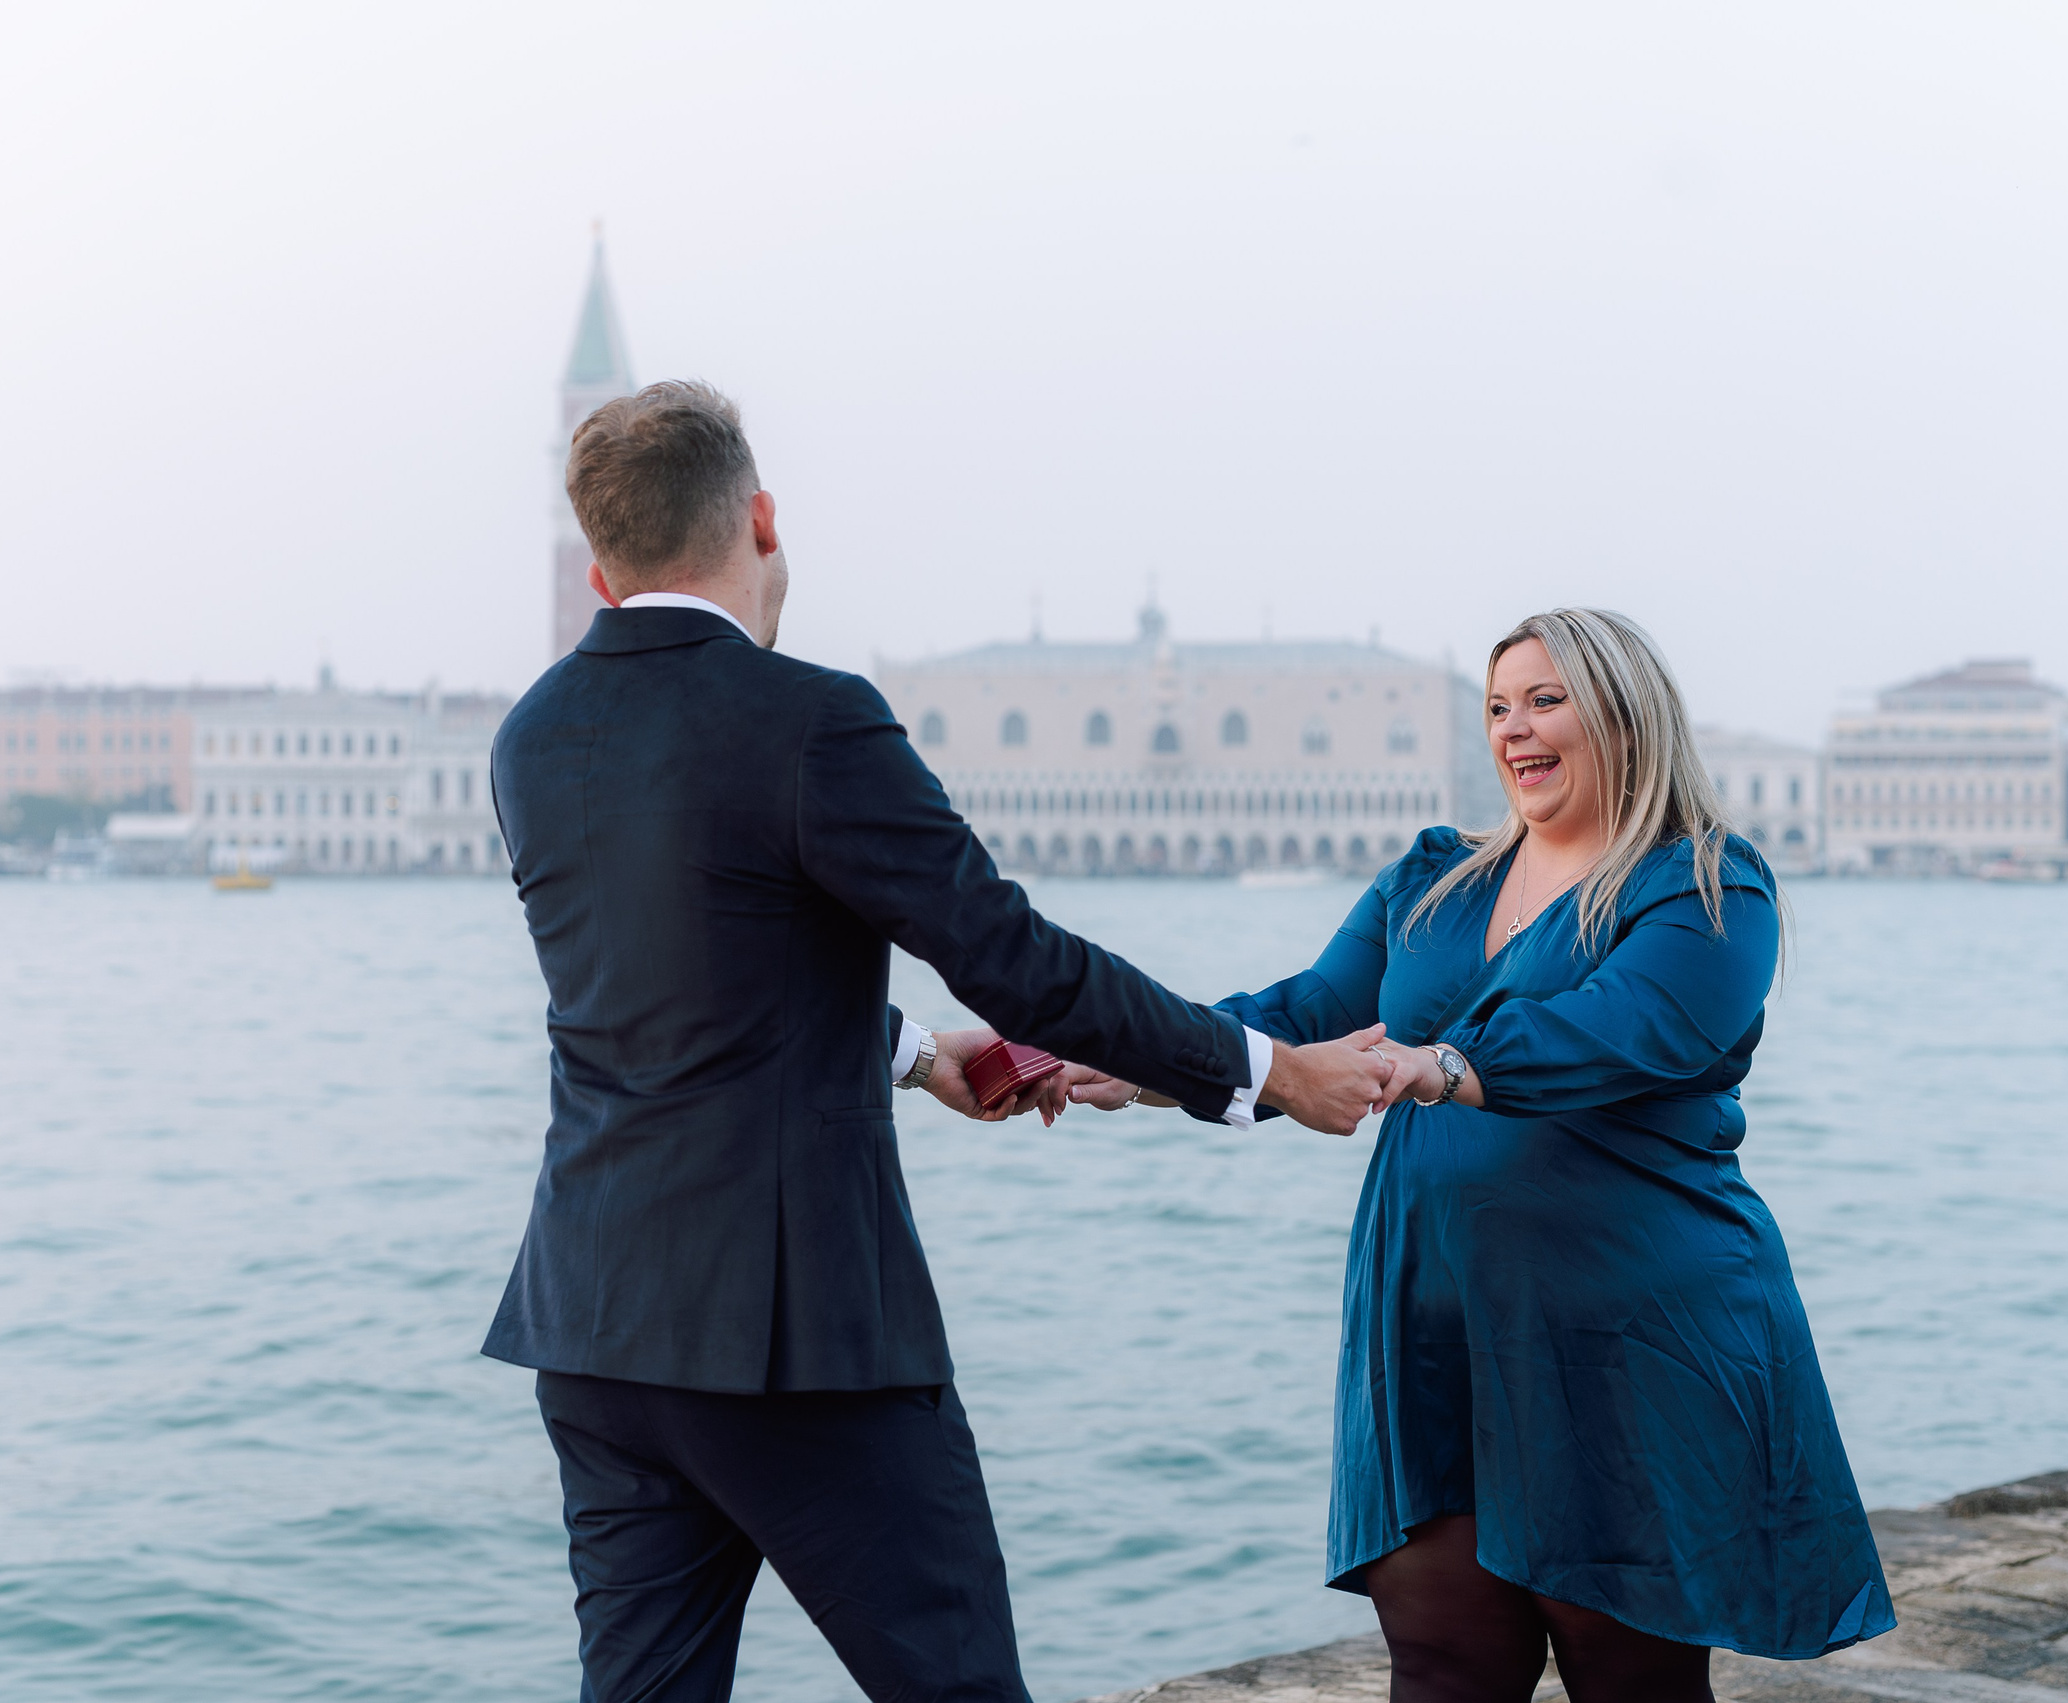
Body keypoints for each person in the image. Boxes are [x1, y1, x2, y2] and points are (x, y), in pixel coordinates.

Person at [481, 380, 1395, 1703]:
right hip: (793, 1333)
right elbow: (1022, 961)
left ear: (598, 556)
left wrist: (911, 1050)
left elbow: (671, 987)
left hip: (596, 1320)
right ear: (763, 515)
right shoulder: (809, 718)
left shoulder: (531, 739)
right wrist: (1266, 1069)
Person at [1068, 608, 1895, 1703]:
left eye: (1546, 699)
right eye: (1499, 706)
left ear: (1625, 711)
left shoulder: (1705, 882)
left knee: (1629, 1673)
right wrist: (1123, 1051)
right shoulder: (1433, 878)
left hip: (1627, 1333)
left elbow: (1625, 1025)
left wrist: (1437, 1065)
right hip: (1429, 1324)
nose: (1516, 729)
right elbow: (1308, 1009)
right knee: (1444, 1659)